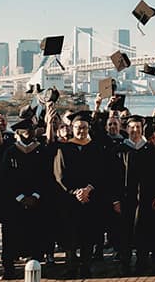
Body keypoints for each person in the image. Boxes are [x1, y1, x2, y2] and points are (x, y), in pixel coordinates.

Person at [53, 110, 110, 277]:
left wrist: (88, 189)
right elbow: (60, 175)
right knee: (70, 233)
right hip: (70, 200)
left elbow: (101, 173)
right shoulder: (64, 149)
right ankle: (71, 265)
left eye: (84, 127)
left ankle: (86, 265)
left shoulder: (96, 148)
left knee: (89, 232)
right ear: (72, 128)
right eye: (78, 127)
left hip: (91, 198)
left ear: (89, 128)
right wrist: (75, 192)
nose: (81, 131)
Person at [0, 117, 51, 280]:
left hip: (37, 201)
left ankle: (36, 265)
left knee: (36, 233)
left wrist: (36, 195)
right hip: (13, 202)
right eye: (24, 131)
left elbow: (46, 176)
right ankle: (9, 269)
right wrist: (20, 197)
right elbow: (4, 178)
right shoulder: (10, 152)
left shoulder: (41, 150)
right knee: (10, 236)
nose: (28, 133)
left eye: (31, 130)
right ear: (18, 133)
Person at [114, 115, 155, 274]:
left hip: (146, 198)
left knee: (145, 229)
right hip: (125, 198)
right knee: (124, 230)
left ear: (142, 129)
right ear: (126, 129)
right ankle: (125, 263)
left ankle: (142, 261)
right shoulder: (119, 150)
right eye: (132, 127)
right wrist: (115, 199)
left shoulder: (151, 150)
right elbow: (111, 177)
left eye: (138, 127)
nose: (135, 130)